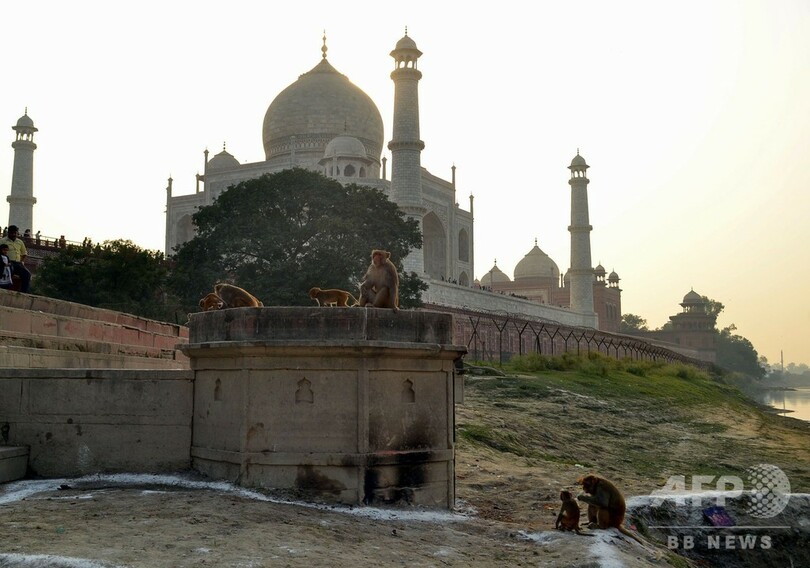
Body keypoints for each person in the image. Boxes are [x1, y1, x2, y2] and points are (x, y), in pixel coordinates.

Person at [0, 225, 31, 292]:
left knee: (27, 274)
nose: (13, 235)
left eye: (15, 233)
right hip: (8, 263)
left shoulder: (20, 242)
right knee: (9, 272)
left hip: (18, 263)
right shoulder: (2, 241)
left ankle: (23, 292)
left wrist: (22, 261)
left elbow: (24, 253)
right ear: (8, 233)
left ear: (17, 233)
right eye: (12, 233)